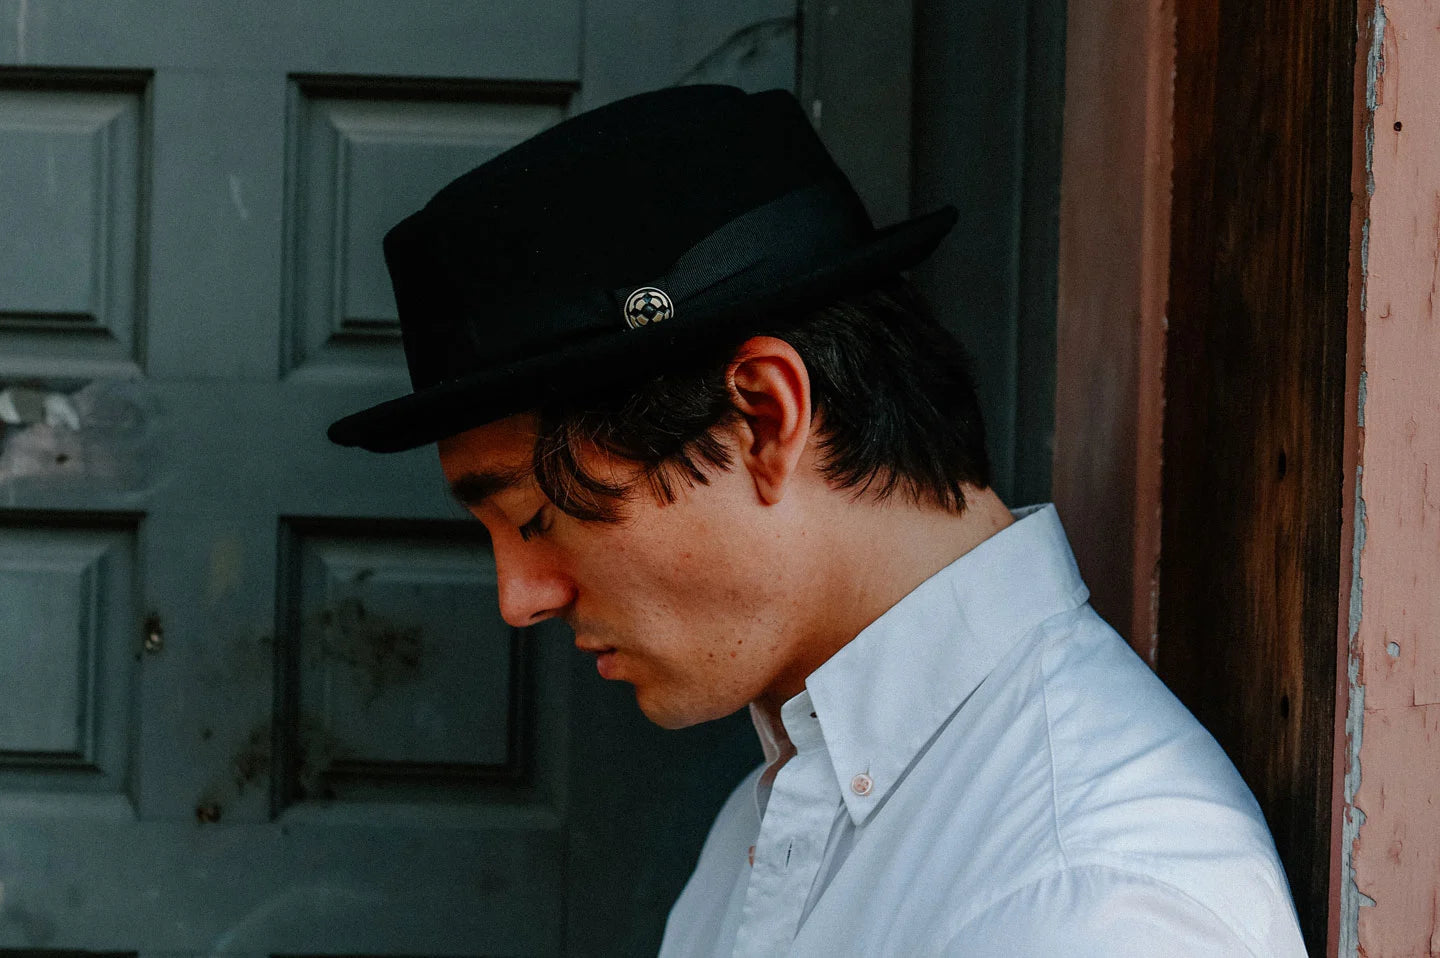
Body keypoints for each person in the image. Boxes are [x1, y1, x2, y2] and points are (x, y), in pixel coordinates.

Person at [328, 85, 1307, 956]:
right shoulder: (798, 800)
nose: (518, 598)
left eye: (536, 518)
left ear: (764, 415)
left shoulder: (1088, 897)